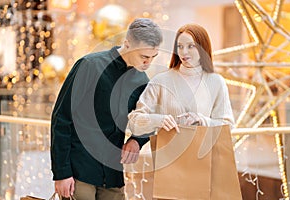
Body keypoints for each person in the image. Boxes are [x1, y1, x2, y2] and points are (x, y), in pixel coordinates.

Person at [50, 18, 163, 200]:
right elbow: (61, 118)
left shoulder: (142, 82)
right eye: (144, 57)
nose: (148, 63)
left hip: (113, 175)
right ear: (127, 44)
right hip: (79, 172)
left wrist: (136, 140)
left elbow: (147, 119)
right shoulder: (88, 65)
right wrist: (61, 173)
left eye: (153, 58)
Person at [128, 23, 234, 137]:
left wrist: (202, 120)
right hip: (168, 153)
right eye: (180, 46)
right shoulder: (160, 81)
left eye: (191, 46)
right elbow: (134, 123)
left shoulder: (216, 82)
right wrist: (158, 120)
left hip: (205, 153)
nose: (184, 52)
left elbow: (228, 126)